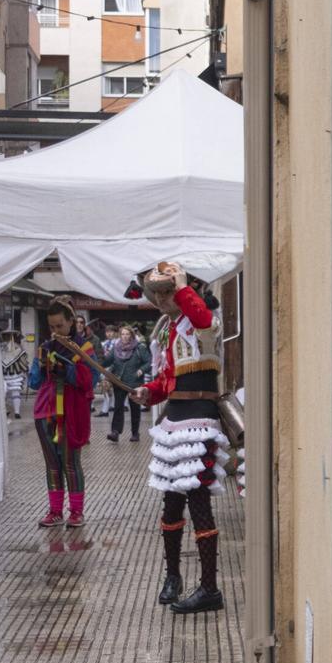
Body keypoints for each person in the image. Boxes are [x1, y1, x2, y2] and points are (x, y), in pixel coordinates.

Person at [131, 260, 228, 615]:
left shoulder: (205, 319)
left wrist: (183, 286)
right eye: (156, 294)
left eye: (166, 292)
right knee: (171, 504)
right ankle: (172, 577)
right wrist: (148, 392)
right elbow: (167, 380)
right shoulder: (166, 328)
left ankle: (209, 588)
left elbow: (202, 319)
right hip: (173, 421)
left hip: (199, 419)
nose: (161, 299)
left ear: (187, 289)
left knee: (199, 503)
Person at [29, 297, 95, 528]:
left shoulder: (84, 348)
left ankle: (76, 512)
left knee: (70, 463)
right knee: (52, 464)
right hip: (44, 411)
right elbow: (34, 383)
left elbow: (91, 380)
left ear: (71, 322)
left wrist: (67, 369)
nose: (56, 330)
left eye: (60, 325)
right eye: (52, 326)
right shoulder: (45, 348)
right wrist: (40, 366)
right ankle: (55, 511)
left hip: (70, 412)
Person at [102, 325, 151, 442]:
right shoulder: (116, 348)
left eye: (127, 334)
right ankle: (115, 432)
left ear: (131, 336)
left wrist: (141, 370)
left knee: (135, 409)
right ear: (120, 335)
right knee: (118, 407)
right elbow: (106, 361)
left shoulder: (139, 348)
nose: (124, 336)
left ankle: (135, 433)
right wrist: (95, 357)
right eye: (123, 334)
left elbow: (149, 362)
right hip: (119, 382)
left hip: (134, 383)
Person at [1, 329, 29, 420]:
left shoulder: (18, 349)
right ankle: (5, 410)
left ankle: (17, 412)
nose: (7, 338)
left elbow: (23, 361)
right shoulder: (0, 348)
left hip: (15, 374)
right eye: (6, 336)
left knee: (15, 391)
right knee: (3, 392)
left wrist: (25, 369)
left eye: (8, 336)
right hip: (3, 374)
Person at [97, 324, 117, 417]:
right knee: (106, 388)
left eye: (111, 332)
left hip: (114, 368)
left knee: (106, 387)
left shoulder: (118, 343)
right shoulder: (103, 343)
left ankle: (105, 410)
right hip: (105, 368)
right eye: (107, 332)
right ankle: (109, 407)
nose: (109, 334)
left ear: (115, 333)